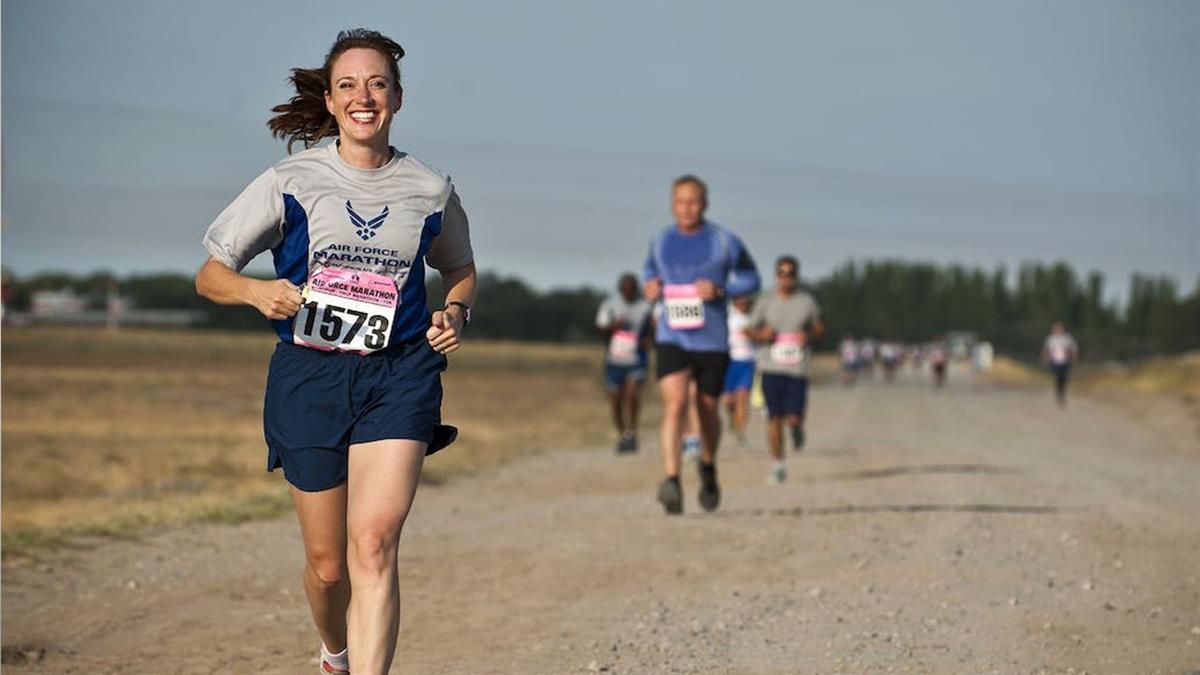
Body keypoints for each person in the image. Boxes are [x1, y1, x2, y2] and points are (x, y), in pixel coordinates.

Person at [194, 30, 476, 675]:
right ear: (329, 99)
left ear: (397, 98)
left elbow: (459, 266)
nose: (364, 96)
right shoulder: (290, 180)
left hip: (399, 373)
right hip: (309, 377)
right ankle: (335, 652)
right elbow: (210, 276)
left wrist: (455, 311)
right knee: (328, 570)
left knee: (372, 546)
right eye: (348, 84)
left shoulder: (429, 189)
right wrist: (254, 293)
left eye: (377, 83)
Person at [643, 175, 760, 514]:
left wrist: (722, 290)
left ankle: (707, 467)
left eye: (693, 202)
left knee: (707, 410)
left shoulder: (724, 241)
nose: (686, 208)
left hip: (711, 340)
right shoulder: (661, 240)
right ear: (671, 204)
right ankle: (672, 480)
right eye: (680, 202)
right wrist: (649, 287)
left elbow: (752, 278)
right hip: (672, 336)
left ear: (705, 204)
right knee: (676, 404)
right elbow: (649, 274)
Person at [744, 256, 824, 484]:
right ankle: (778, 463)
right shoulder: (766, 301)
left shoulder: (806, 302)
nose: (786, 277)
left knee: (793, 418)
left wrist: (808, 335)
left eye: (790, 273)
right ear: (776, 275)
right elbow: (748, 329)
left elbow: (820, 327)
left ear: (796, 276)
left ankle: (797, 429)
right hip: (770, 366)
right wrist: (761, 335)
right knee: (774, 418)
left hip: (797, 369)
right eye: (782, 272)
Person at [595, 273, 653, 453]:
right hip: (614, 360)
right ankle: (623, 435)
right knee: (616, 401)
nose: (629, 292)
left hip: (636, 359)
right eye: (626, 289)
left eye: (633, 289)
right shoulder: (609, 305)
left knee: (633, 394)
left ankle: (632, 431)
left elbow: (653, 329)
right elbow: (600, 330)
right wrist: (613, 325)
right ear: (620, 289)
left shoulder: (645, 306)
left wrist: (649, 340)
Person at [722, 294, 757, 445]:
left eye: (745, 299)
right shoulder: (727, 315)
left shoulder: (754, 317)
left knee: (743, 397)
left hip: (747, 361)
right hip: (729, 361)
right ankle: (732, 417)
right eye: (739, 299)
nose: (742, 302)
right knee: (728, 401)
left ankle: (740, 430)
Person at [1041, 321, 1079, 407]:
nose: (1058, 330)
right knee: (1057, 376)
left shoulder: (1068, 338)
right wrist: (1044, 358)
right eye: (1056, 328)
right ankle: (1059, 393)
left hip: (1065, 361)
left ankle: (1061, 392)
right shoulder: (1050, 339)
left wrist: (1074, 358)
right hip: (1054, 361)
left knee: (1064, 377)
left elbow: (1073, 349)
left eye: (1059, 328)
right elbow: (1046, 350)